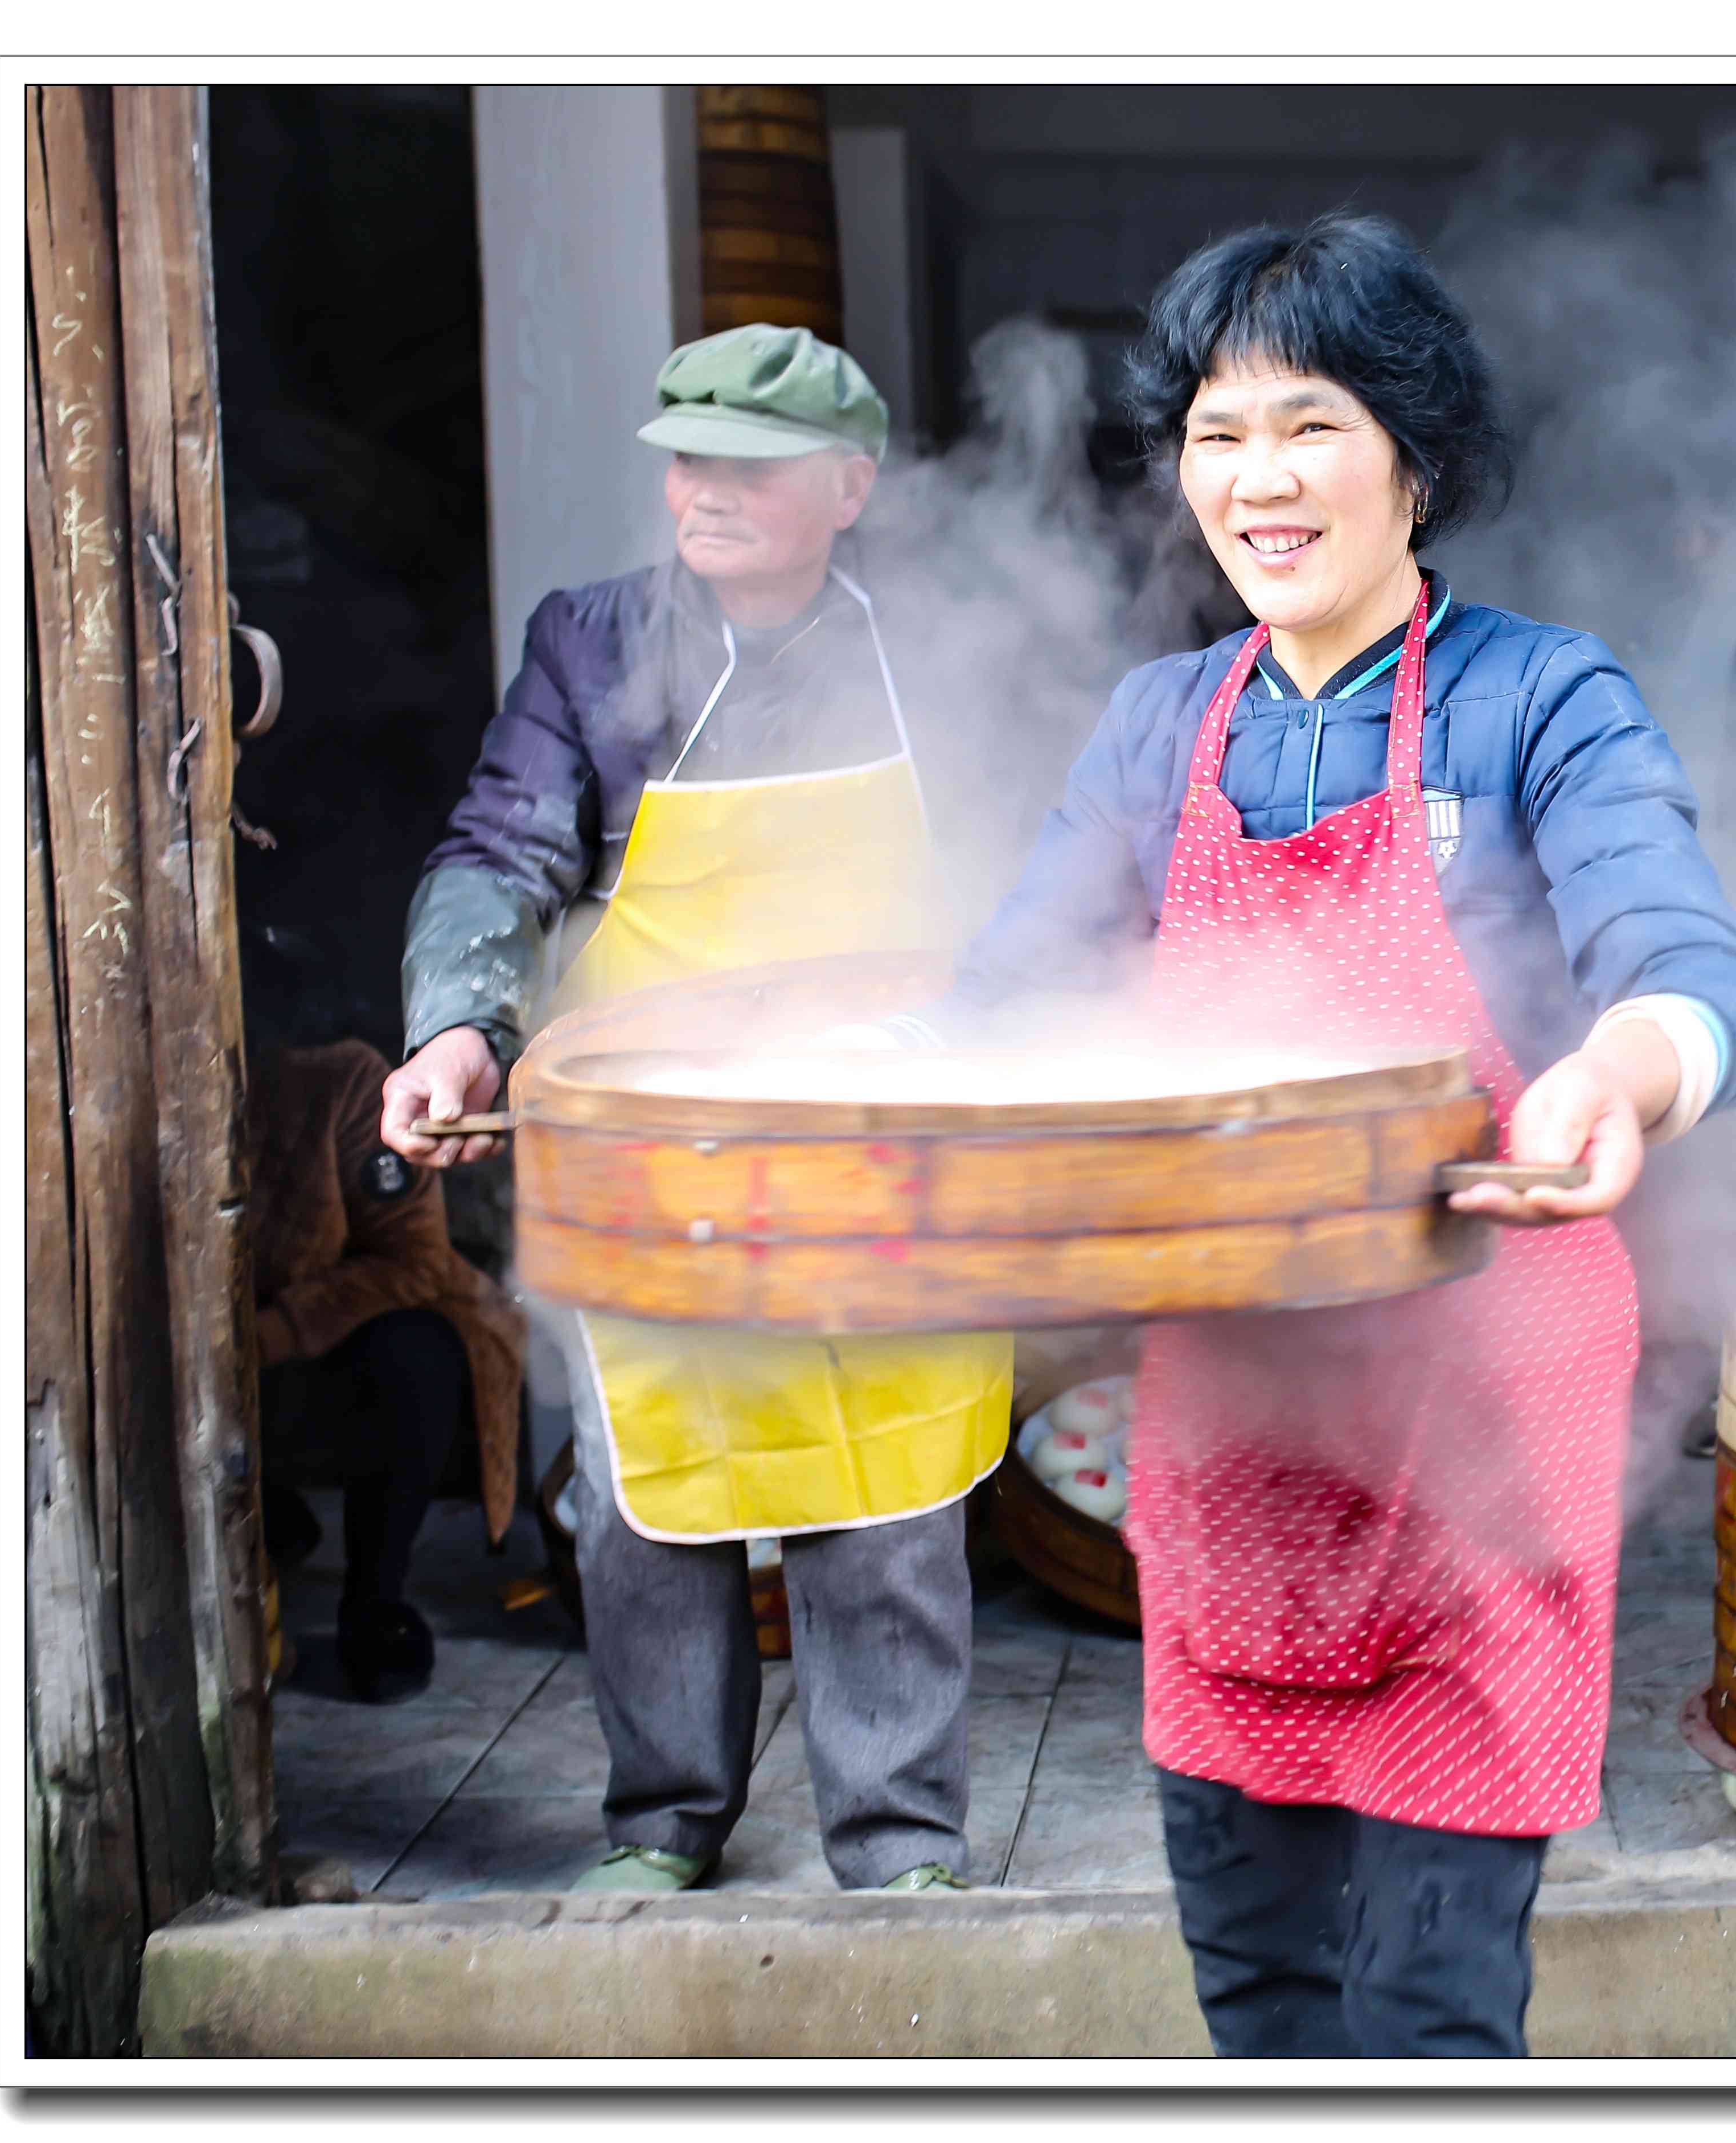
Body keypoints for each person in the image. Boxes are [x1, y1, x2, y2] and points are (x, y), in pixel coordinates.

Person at [902, 214, 1736, 2055]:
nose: (1256, 479)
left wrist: (1619, 1076)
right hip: (1238, 1421)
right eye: (1215, 434)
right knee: (1263, 1982)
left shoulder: (1543, 697)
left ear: (1416, 457)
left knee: (1432, 2009)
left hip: (1483, 1434)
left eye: (1306, 424)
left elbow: (1684, 953)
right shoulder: (1160, 727)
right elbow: (1012, 1001)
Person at [380, 323, 1012, 1894]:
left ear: (851, 484)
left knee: (890, 1492)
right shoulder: (591, 642)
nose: (701, 488)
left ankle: (901, 1839)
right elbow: (501, 846)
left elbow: (1033, 853)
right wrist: (462, 1026)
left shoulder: (935, 644)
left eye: (748, 463)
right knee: (645, 1497)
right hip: (650, 1137)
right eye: (685, 455)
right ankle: (662, 1820)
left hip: (882, 1122)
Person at [249, 1034, 525, 1701]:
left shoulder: (335, 1082)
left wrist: (266, 1335)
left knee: (417, 1352)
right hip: (171, 1386)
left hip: (299, 1358)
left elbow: (413, 1259)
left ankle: (375, 1603)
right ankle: (267, 1528)